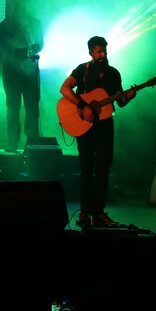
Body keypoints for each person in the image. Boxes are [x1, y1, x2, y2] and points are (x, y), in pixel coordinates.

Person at [59, 35, 134, 227]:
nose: (103, 55)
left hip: (105, 128)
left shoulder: (114, 74)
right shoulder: (82, 70)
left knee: (102, 171)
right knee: (86, 171)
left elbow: (120, 102)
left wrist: (129, 97)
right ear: (91, 53)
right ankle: (84, 212)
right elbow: (65, 89)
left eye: (105, 51)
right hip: (85, 128)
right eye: (99, 52)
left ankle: (98, 213)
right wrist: (83, 105)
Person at [0, 0, 43, 152]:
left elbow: (41, 43)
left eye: (24, 4)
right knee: (13, 107)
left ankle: (32, 141)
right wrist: (22, 51)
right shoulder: (6, 24)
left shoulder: (35, 23)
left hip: (30, 71)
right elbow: (5, 46)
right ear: (15, 6)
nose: (22, 7)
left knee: (32, 107)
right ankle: (12, 142)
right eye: (19, 4)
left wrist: (37, 46)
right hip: (12, 72)